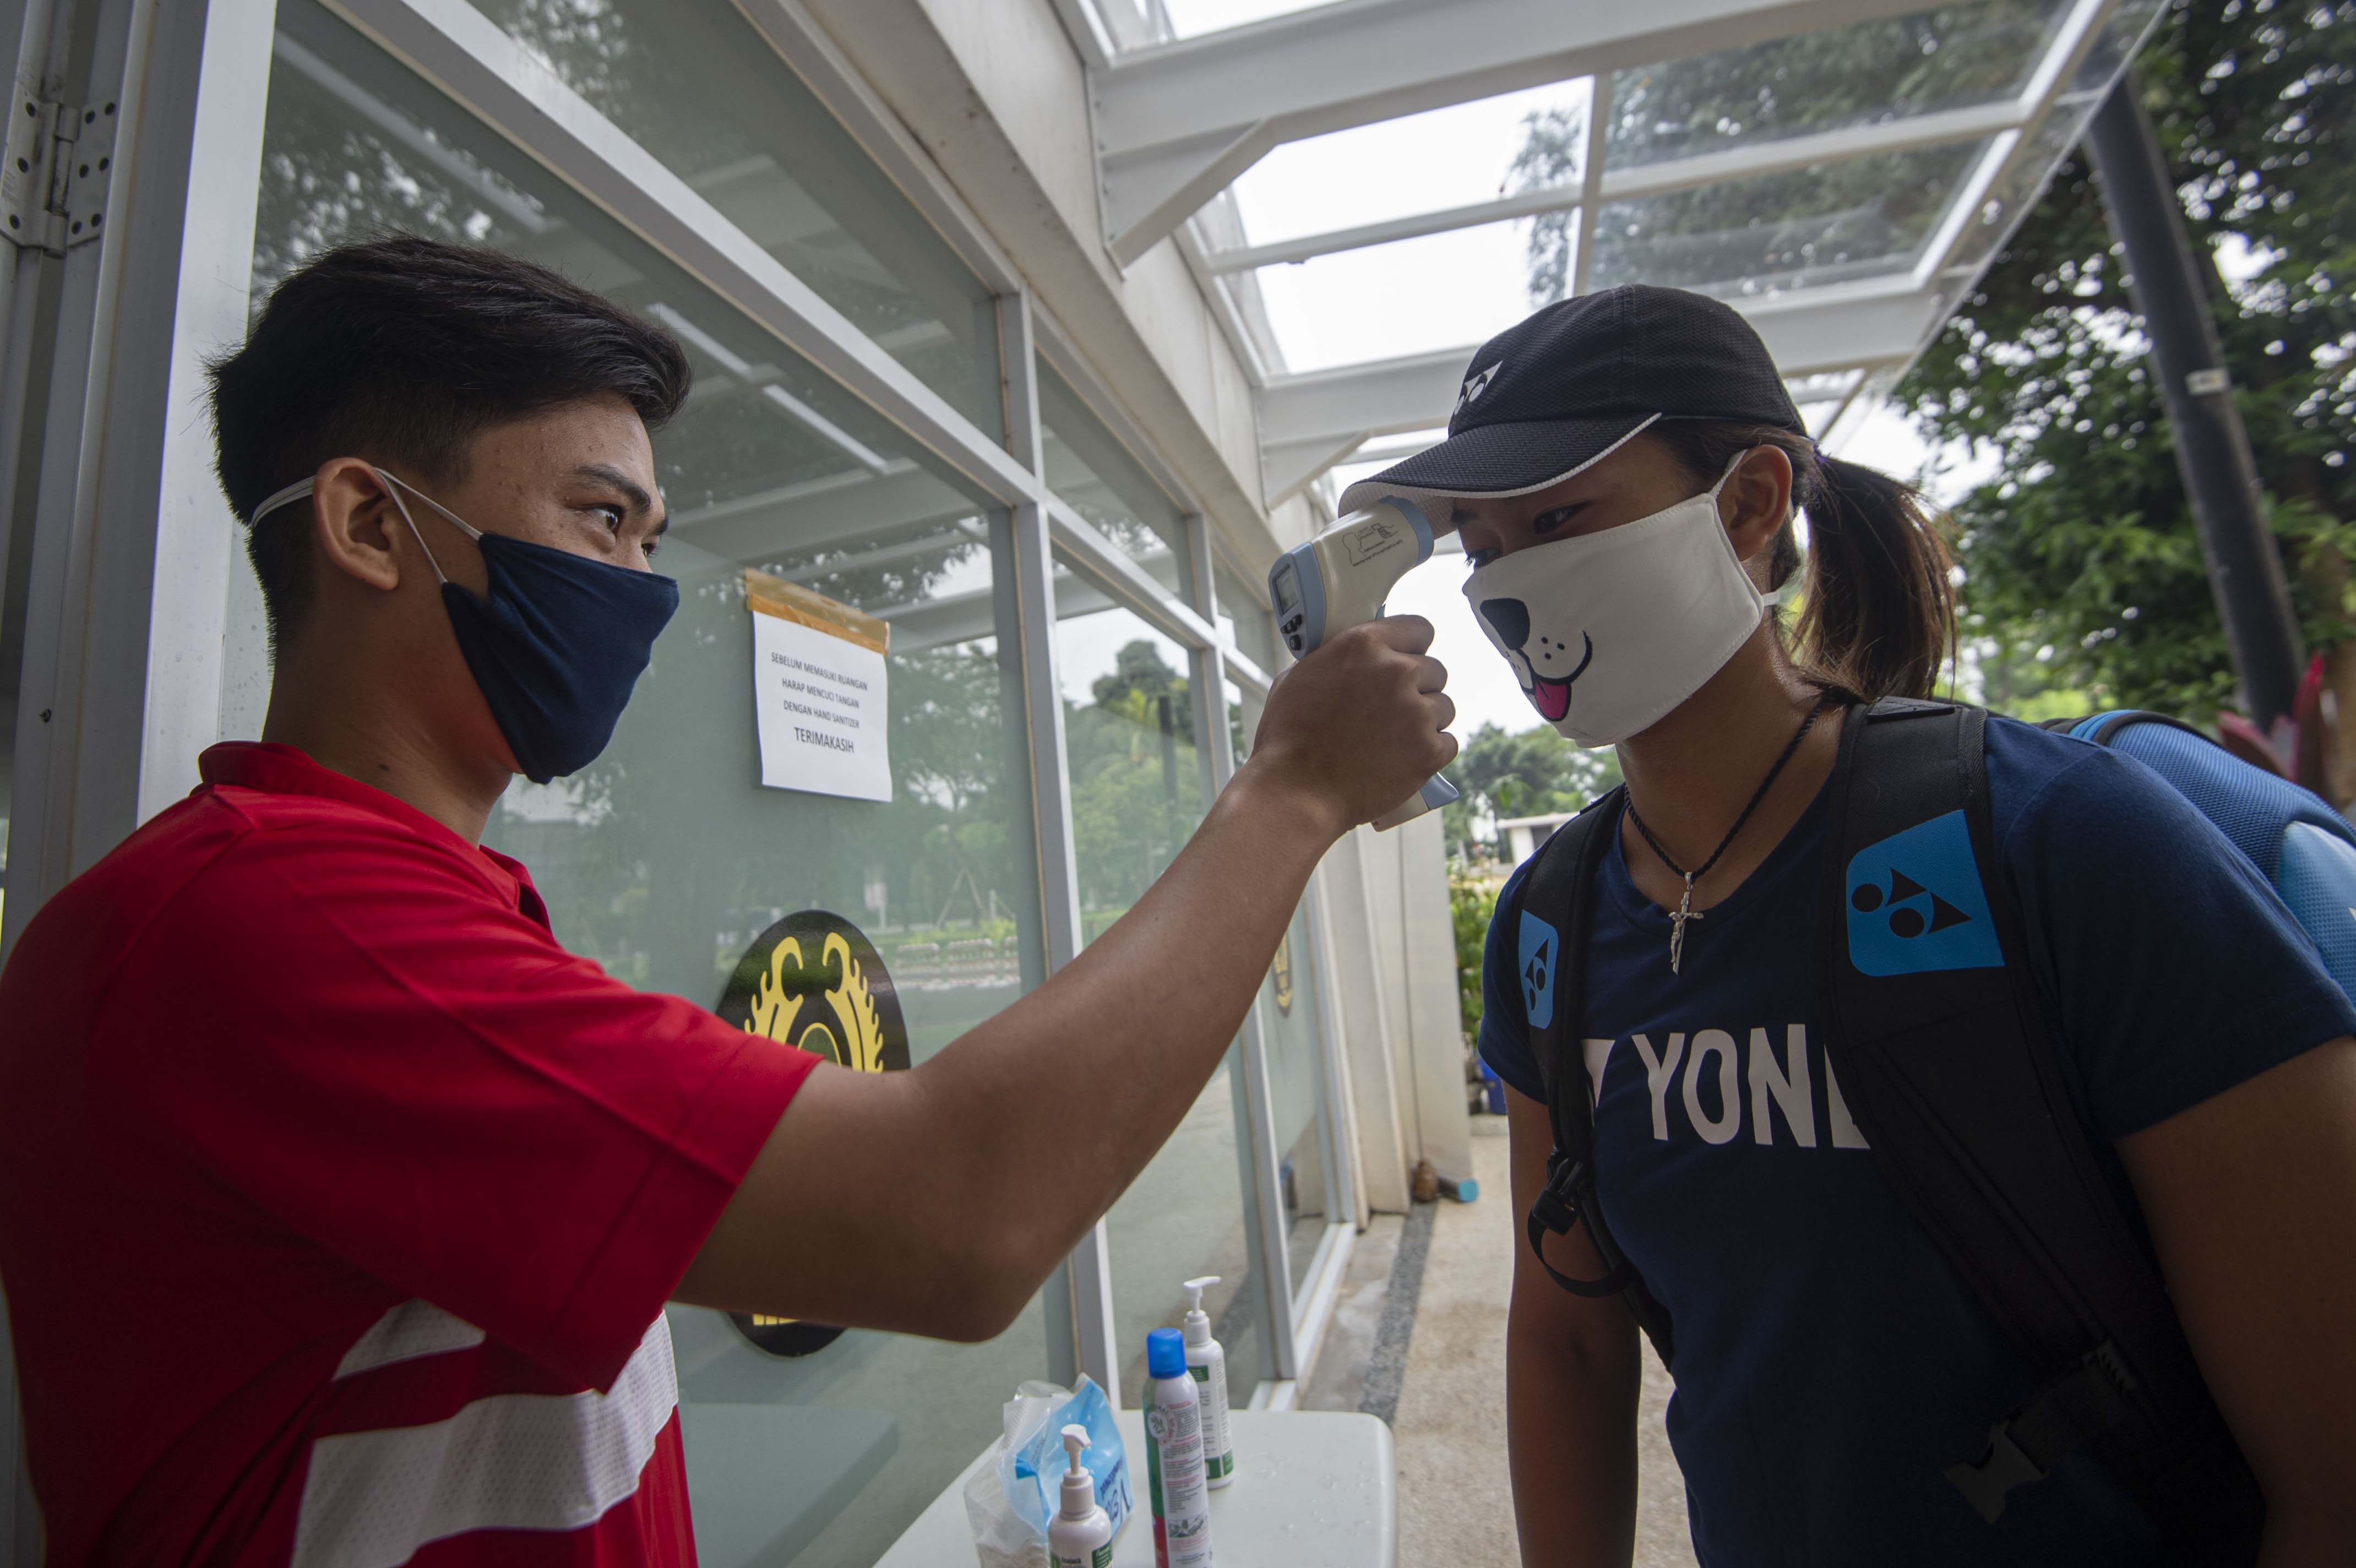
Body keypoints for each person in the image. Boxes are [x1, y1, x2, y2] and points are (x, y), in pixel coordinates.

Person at [0, 236, 1455, 1564]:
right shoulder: (275, 924)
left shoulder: (418, 909)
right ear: (373, 527)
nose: (643, 585)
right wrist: (1293, 795)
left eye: (650, 535)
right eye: (600, 518)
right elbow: (955, 1214)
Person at [1336, 286, 2356, 1566]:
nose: (1505, 586)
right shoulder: (1549, 928)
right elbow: (1570, 1325)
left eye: (1554, 516)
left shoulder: (2062, 843)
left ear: (1751, 502)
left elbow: (2332, 1470)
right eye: (1480, 545)